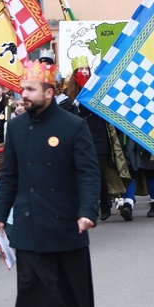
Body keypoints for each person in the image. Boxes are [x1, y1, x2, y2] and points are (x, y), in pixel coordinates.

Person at [0, 59, 100, 307]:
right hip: (27, 222)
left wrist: (87, 212)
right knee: (32, 286)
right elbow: (9, 176)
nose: (22, 94)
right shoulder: (15, 127)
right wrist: (0, 213)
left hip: (66, 222)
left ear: (49, 92)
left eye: (29, 89)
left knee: (67, 287)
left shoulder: (73, 126)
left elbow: (88, 175)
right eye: (22, 88)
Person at [59, 55, 113, 220]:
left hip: (98, 137)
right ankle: (91, 206)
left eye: (86, 69)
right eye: (80, 69)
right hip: (80, 140)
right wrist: (70, 106)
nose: (84, 72)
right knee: (83, 174)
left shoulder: (96, 88)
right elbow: (63, 114)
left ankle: (105, 202)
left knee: (98, 173)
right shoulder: (68, 95)